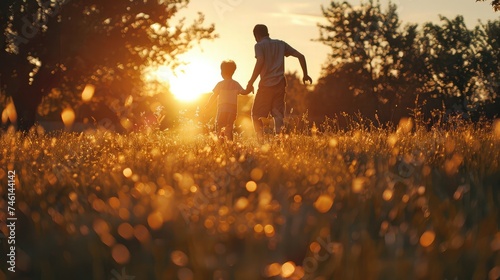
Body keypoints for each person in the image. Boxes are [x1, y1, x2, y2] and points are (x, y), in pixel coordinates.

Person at [246, 24, 312, 141]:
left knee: (256, 115)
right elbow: (301, 56)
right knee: (278, 115)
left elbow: (260, 61)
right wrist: (305, 74)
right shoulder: (281, 44)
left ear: (257, 35)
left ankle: (261, 140)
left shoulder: (259, 45)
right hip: (280, 85)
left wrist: (251, 82)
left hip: (266, 86)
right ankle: (279, 140)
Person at [205, 60, 252, 141]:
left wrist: (208, 104)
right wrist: (250, 87)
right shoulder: (235, 84)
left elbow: (214, 95)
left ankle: (220, 142)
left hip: (222, 109)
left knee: (219, 126)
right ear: (233, 72)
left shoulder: (220, 84)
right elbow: (244, 92)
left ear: (222, 72)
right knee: (229, 126)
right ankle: (230, 143)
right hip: (232, 110)